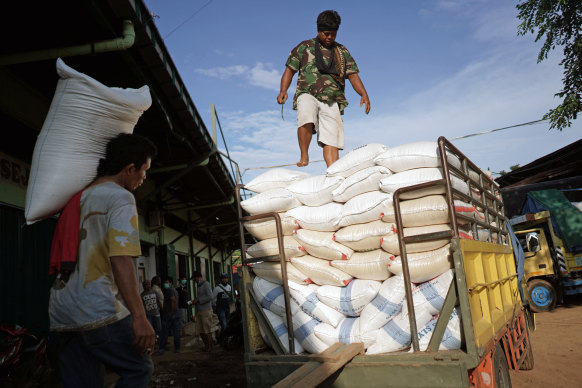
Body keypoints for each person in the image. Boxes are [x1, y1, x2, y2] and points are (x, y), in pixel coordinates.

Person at [48, 133, 157, 387]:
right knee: (139, 369)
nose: (144, 178)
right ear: (130, 168)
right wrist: (140, 317)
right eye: (144, 171)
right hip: (97, 309)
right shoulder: (120, 197)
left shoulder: (79, 197)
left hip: (62, 311)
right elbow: (121, 260)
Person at [277, 9, 370, 168]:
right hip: (308, 93)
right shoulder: (304, 47)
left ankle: (333, 170)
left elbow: (353, 75)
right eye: (326, 33)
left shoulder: (341, 52)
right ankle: (304, 155)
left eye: (333, 34)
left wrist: (364, 95)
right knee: (306, 115)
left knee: (331, 137)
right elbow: (289, 70)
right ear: (318, 30)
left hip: (332, 98)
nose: (329, 37)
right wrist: (283, 90)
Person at [189, 271, 214, 352]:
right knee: (201, 330)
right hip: (200, 310)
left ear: (198, 277)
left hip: (206, 311)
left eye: (194, 278)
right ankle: (206, 346)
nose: (194, 280)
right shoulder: (199, 286)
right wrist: (195, 301)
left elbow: (210, 296)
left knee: (207, 330)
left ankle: (210, 347)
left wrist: (199, 300)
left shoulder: (206, 284)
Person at [158, 277, 181, 354]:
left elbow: (173, 300)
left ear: (171, 283)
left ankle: (162, 348)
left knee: (165, 331)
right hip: (176, 313)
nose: (165, 284)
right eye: (165, 282)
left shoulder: (169, 290)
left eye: (167, 282)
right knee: (176, 332)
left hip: (170, 314)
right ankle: (177, 348)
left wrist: (171, 312)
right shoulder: (175, 290)